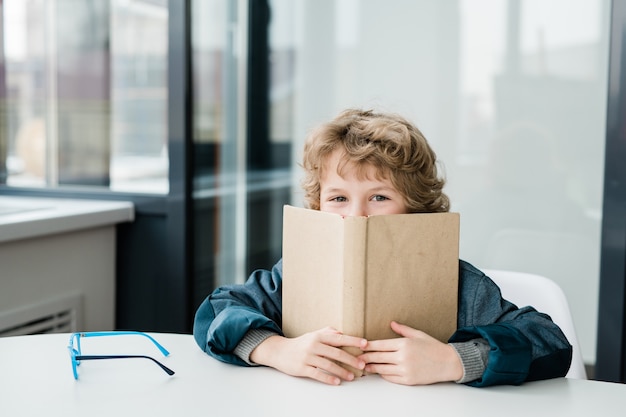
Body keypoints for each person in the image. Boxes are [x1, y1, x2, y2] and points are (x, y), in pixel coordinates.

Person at [193, 108, 572, 387]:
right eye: (338, 198)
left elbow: (549, 342)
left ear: (414, 206)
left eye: (378, 197)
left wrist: (453, 360)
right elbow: (216, 313)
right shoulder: (296, 272)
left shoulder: (457, 284)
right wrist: (275, 349)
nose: (357, 216)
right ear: (319, 206)